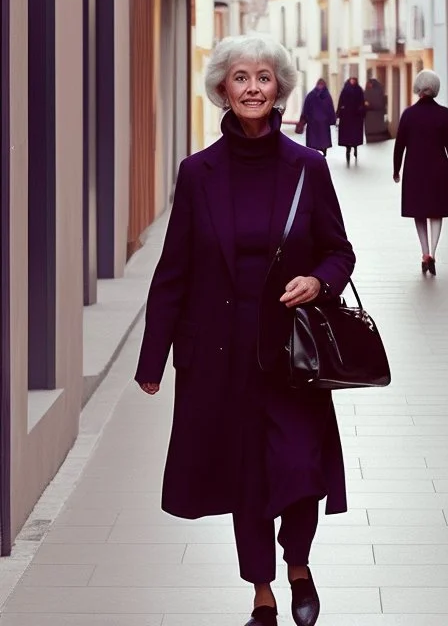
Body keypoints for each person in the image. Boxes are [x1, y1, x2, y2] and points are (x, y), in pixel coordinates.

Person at [135, 35, 355, 626]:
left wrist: (318, 281)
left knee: (301, 466)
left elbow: (340, 253)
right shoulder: (198, 173)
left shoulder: (307, 168)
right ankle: (262, 590)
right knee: (247, 475)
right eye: (240, 77)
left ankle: (299, 562)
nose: (253, 87)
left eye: (264, 77)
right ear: (223, 91)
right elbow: (172, 271)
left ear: (279, 88)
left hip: (293, 355)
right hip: (222, 355)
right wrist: (153, 360)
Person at [392, 69, 448, 276]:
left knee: (419, 212)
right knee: (436, 212)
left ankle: (424, 253)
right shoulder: (444, 114)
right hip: (440, 170)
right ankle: (434, 251)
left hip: (415, 170)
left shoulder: (409, 115)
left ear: (418, 88)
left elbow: (399, 146)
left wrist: (396, 170)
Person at [299, 78, 336, 157]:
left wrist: (305, 117)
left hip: (314, 123)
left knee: (314, 142)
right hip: (320, 123)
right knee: (322, 142)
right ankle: (322, 155)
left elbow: (306, 108)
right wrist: (332, 120)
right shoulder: (326, 96)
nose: (320, 86)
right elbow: (330, 109)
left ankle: (318, 155)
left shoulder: (311, 95)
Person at [336, 76, 365, 166]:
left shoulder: (359, 90)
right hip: (346, 118)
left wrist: (361, 111)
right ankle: (348, 151)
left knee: (355, 136)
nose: (352, 82)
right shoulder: (345, 90)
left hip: (356, 117)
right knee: (347, 137)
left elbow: (362, 102)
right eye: (351, 80)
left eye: (354, 80)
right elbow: (340, 102)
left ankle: (355, 149)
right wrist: (338, 113)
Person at [364, 77, 389, 142]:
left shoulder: (366, 92)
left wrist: (367, 105)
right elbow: (383, 104)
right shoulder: (381, 92)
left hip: (370, 117)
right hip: (378, 117)